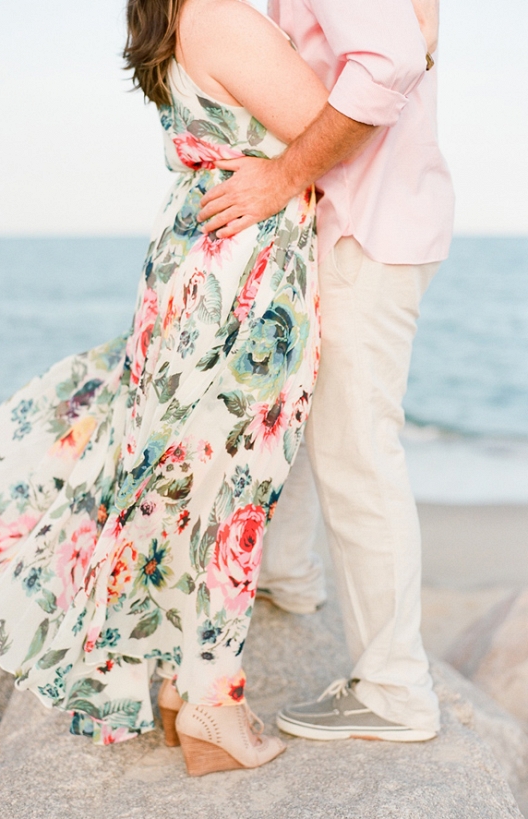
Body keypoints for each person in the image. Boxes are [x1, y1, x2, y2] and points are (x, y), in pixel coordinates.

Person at [0, 0, 338, 777]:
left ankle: (190, 687)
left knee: (183, 470)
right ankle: (214, 699)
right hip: (239, 277)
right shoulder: (218, 13)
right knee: (233, 479)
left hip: (203, 261)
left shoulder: (179, 17)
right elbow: (333, 126)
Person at [198, 0, 454, 742]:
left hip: (365, 223)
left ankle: (396, 689)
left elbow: (390, 62)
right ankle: (293, 577)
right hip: (373, 216)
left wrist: (282, 175)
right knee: (319, 416)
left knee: (358, 455)